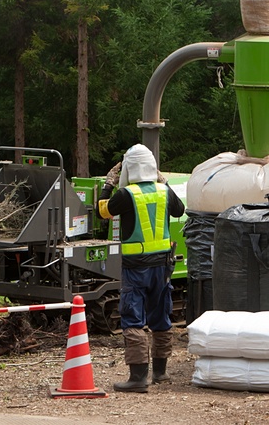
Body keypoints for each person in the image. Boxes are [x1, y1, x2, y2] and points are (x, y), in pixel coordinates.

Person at [97, 144, 185, 393]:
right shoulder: (163, 192)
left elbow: (102, 211)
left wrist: (108, 183)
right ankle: (160, 372)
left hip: (136, 268)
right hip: (162, 266)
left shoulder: (126, 194)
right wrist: (163, 181)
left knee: (133, 318)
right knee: (161, 316)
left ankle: (137, 378)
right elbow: (180, 210)